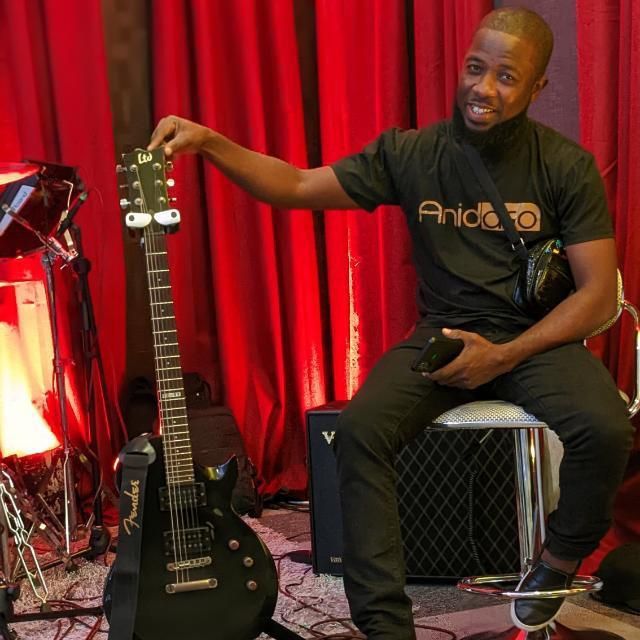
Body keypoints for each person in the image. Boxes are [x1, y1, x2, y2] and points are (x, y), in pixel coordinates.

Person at [148, 7, 634, 638]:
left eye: (507, 76)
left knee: (606, 428)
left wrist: (504, 355)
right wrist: (210, 141)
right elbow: (295, 186)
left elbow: (596, 297)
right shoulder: (412, 153)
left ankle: (558, 560)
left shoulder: (564, 165)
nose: (484, 88)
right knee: (359, 431)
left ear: (537, 87)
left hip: (533, 337)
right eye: (475, 68)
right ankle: (385, 626)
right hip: (444, 334)